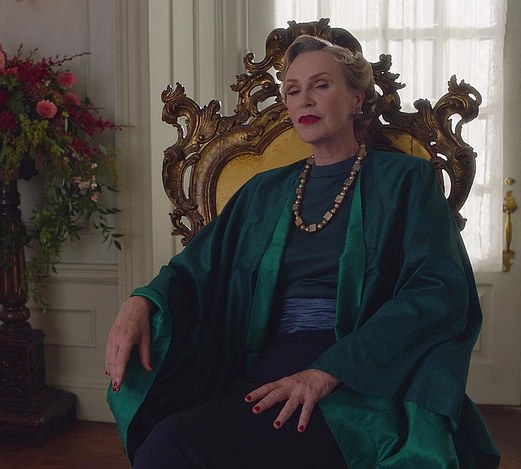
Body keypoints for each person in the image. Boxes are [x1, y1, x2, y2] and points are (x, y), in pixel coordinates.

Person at [105, 34, 500, 468]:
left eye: (321, 85)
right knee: (167, 437)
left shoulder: (407, 181)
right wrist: (142, 301)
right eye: (292, 90)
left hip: (360, 380)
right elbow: (196, 268)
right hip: (263, 364)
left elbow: (437, 289)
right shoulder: (264, 191)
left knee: (174, 448)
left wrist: (328, 371)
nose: (304, 100)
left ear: (356, 98)